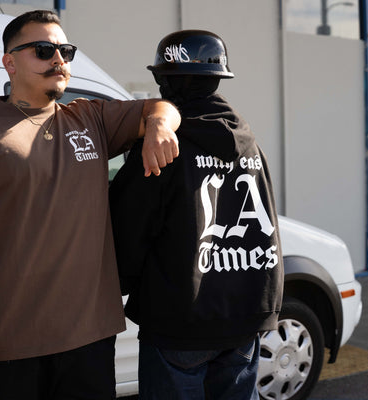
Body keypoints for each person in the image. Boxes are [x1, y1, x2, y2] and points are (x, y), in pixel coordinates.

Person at [0, 10, 180, 400]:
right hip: (9, 344)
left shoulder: (91, 118)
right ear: (10, 63)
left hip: (90, 340)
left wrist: (159, 125)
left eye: (65, 51)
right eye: (43, 50)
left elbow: (160, 107)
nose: (58, 60)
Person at [109, 30, 284, 400]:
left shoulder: (161, 144)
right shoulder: (247, 141)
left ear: (165, 79)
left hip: (179, 323)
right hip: (245, 318)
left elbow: (129, 227)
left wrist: (116, 284)